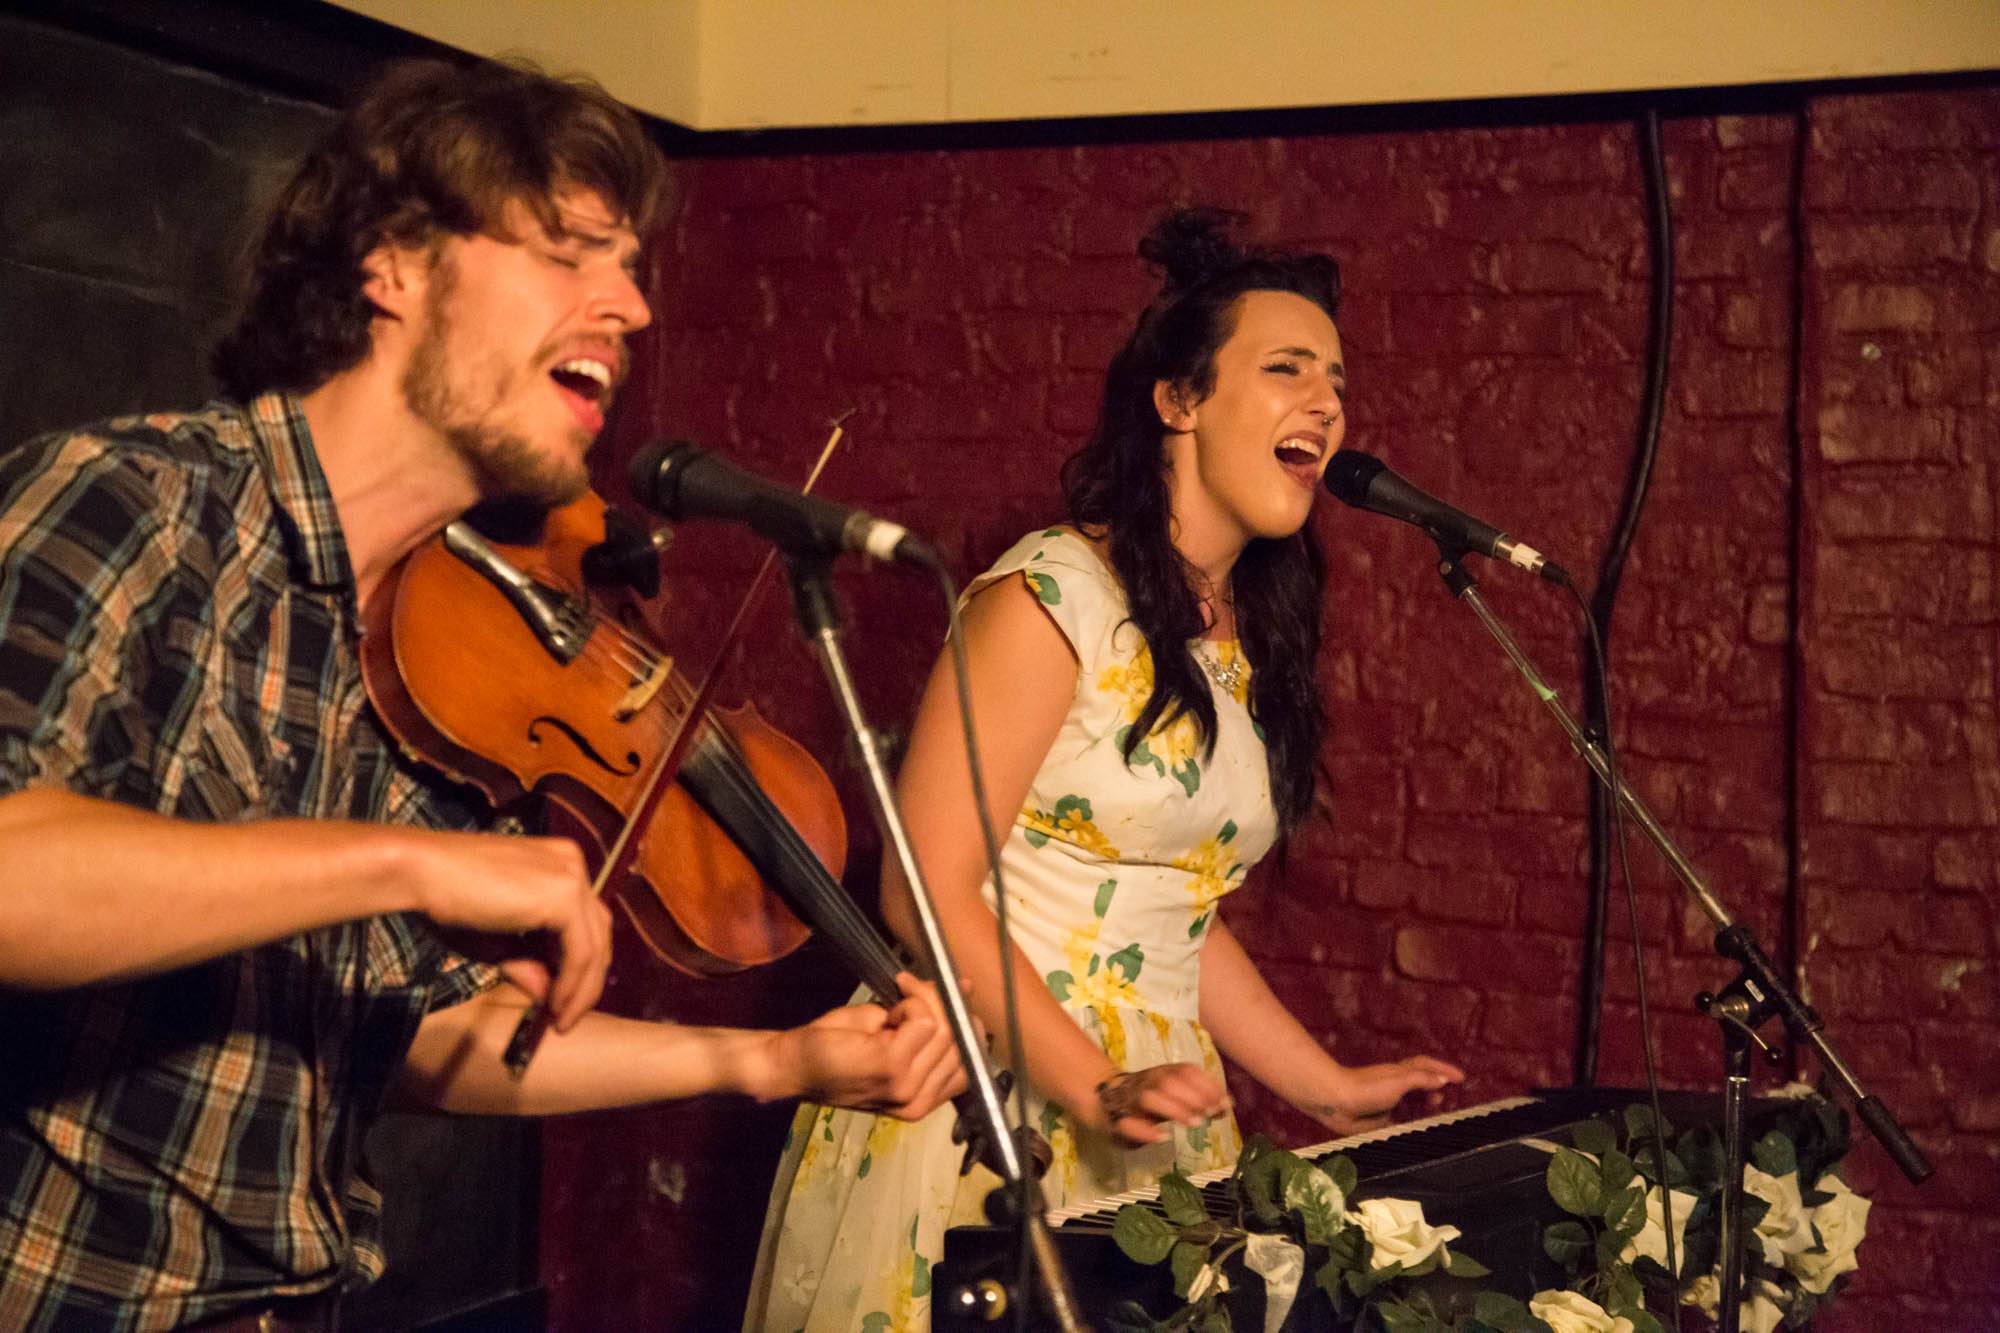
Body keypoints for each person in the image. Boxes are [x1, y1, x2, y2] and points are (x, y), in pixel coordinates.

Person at [0, 58, 962, 1332]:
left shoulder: (440, 657)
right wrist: (400, 861)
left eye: (630, 268)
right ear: (393, 264)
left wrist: (769, 1060)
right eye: (570, 254)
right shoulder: (138, 504)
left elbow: (425, 1041)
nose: (627, 307)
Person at [745, 209, 1467, 1330]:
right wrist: (1093, 1084)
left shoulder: (1237, 633)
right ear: (1176, 400)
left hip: (1155, 1114)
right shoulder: (1051, 596)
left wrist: (1324, 1084)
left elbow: (1171, 918)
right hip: (993, 1099)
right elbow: (918, 890)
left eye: (1336, 381)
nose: (1326, 404)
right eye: (1285, 370)